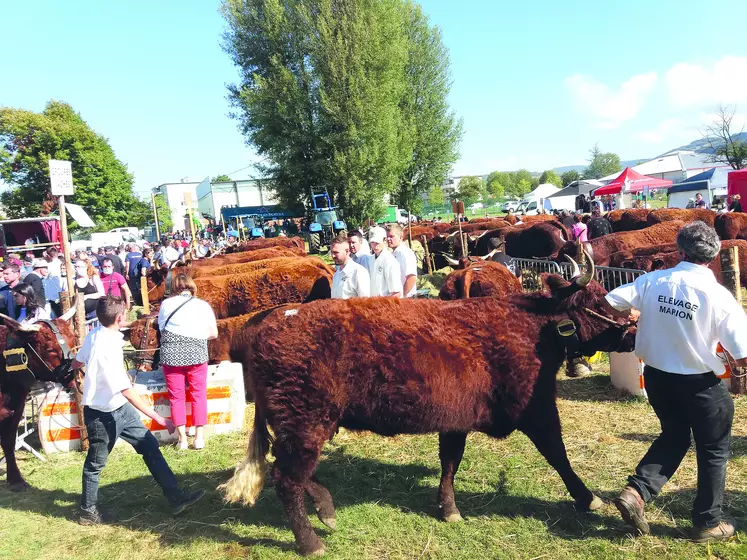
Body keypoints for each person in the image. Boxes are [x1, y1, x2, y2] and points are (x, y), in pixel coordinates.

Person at [604, 221, 747, 542]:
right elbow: (743, 352)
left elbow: (611, 299)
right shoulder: (719, 297)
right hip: (700, 385)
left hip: (656, 377)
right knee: (713, 451)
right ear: (712, 256)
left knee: (675, 435)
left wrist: (634, 316)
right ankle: (707, 523)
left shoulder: (652, 281)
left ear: (680, 250)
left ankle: (637, 492)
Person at [72, 296, 205, 524]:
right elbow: (127, 391)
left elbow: (77, 361)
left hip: (120, 410)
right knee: (95, 464)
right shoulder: (108, 349)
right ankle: (88, 511)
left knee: (150, 447)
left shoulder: (94, 335)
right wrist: (158, 418)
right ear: (120, 318)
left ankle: (176, 498)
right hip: (102, 416)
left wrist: (72, 371)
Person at [157, 274, 218, 451]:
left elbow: (162, 328)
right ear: (191, 287)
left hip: (171, 354)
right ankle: (199, 438)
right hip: (196, 353)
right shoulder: (202, 305)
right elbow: (213, 333)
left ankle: (182, 439)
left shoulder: (166, 304)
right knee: (198, 394)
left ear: (174, 287)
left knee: (176, 397)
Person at [367, 226, 402, 297]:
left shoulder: (390, 261)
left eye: (377, 242)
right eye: (372, 242)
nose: (375, 246)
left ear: (384, 240)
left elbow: (396, 293)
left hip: (385, 304)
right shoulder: (370, 259)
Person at [386, 224, 417, 298]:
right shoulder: (393, 253)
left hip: (407, 299)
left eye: (391, 236)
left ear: (401, 237)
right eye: (387, 236)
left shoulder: (405, 253)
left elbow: (411, 277)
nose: (388, 239)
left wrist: (402, 296)